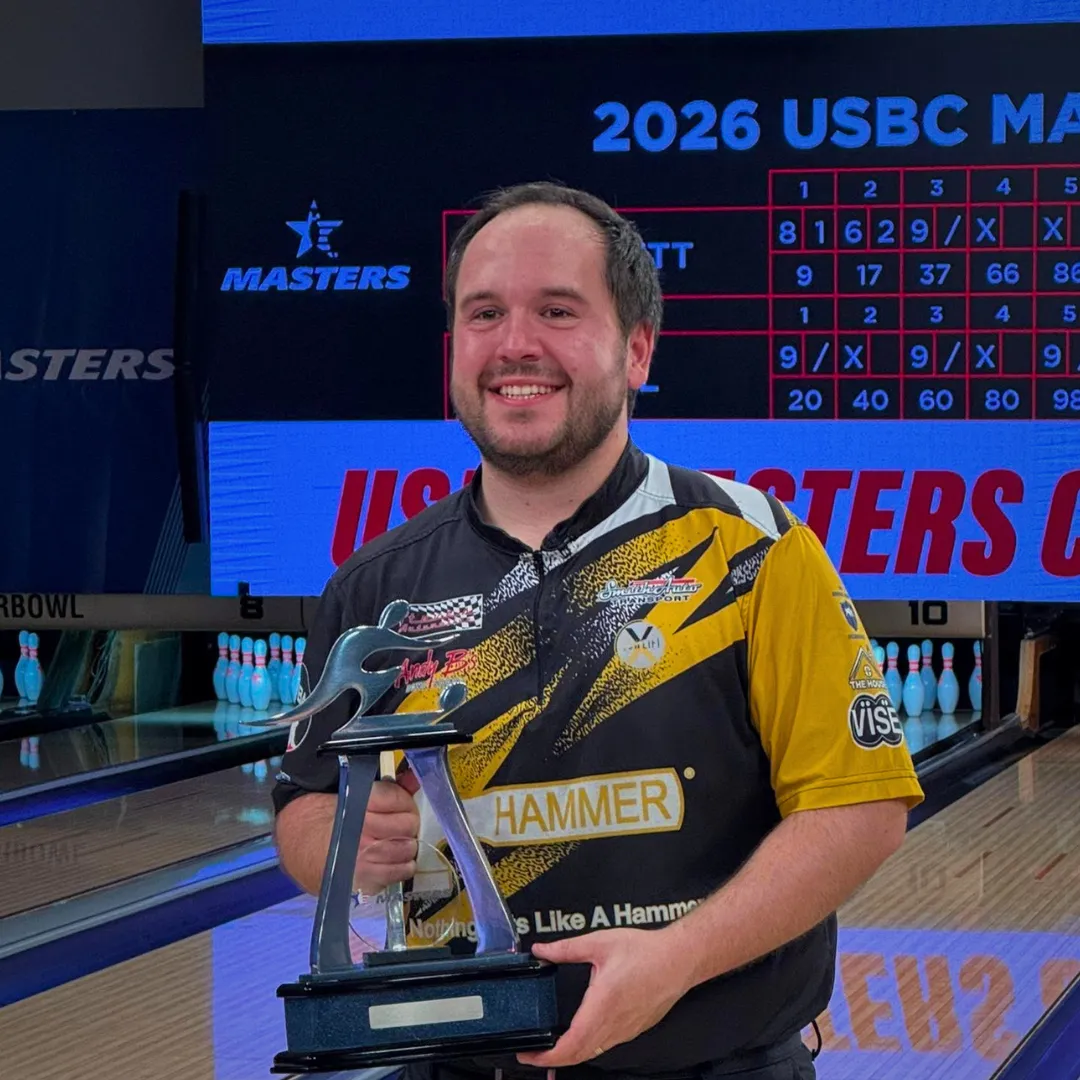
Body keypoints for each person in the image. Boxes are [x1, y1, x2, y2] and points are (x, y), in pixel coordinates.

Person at [271, 181, 924, 1080]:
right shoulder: (374, 588)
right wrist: (347, 845)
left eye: (558, 310)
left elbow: (862, 807)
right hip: (452, 1063)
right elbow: (306, 806)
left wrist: (677, 960)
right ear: (454, 348)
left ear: (638, 350)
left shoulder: (756, 549)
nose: (515, 344)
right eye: (485, 313)